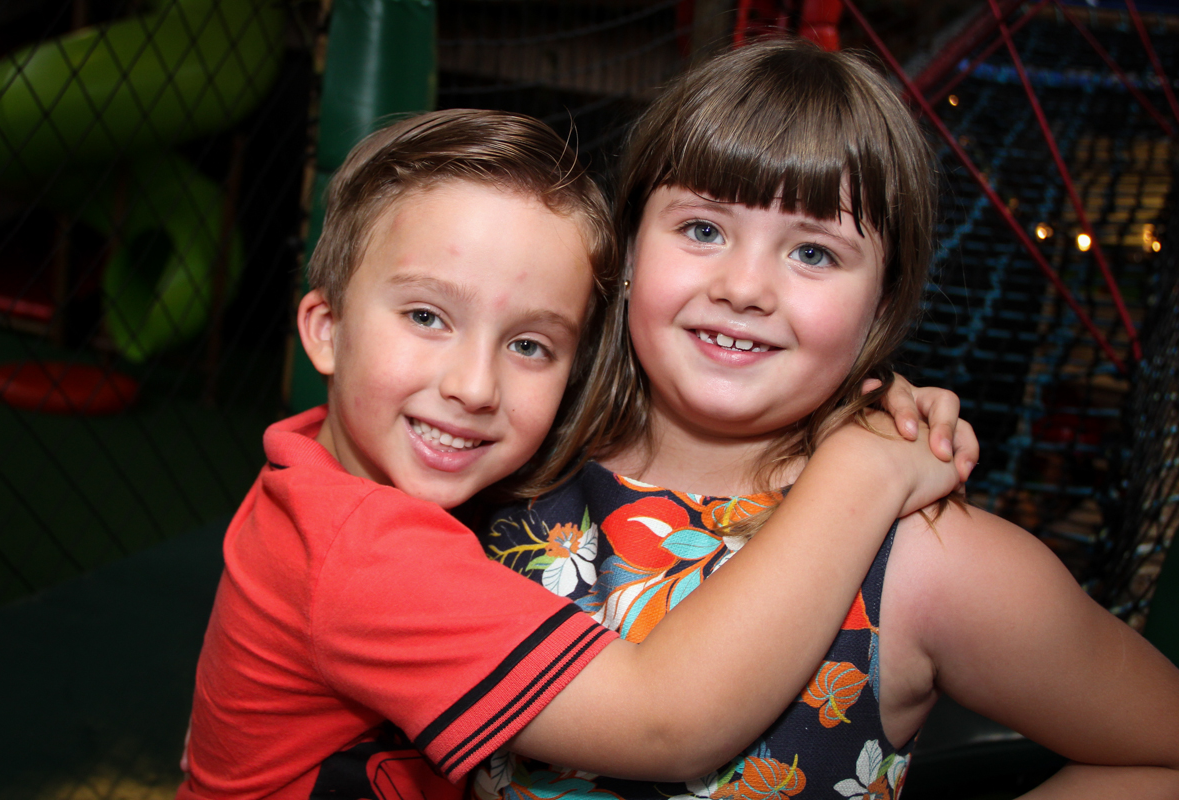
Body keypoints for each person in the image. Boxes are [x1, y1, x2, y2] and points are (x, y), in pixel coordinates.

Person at [178, 108, 976, 800]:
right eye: (426, 317)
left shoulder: (335, 467)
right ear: (325, 328)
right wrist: (860, 471)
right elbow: (665, 722)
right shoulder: (355, 550)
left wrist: (871, 402)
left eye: (530, 344)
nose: (474, 385)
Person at [479, 39, 1179, 800]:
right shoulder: (503, 459)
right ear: (630, 245)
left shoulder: (929, 559)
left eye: (814, 253)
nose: (744, 287)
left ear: (881, 303)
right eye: (704, 229)